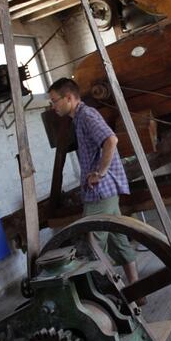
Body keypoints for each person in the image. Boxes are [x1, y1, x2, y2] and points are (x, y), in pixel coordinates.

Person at [48, 77, 140, 285]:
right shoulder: (79, 118)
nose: (52, 106)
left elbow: (111, 140)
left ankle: (108, 292)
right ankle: (136, 288)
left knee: (92, 242)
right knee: (118, 239)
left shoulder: (87, 115)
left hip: (100, 191)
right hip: (102, 192)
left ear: (69, 98)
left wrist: (100, 172)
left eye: (54, 101)